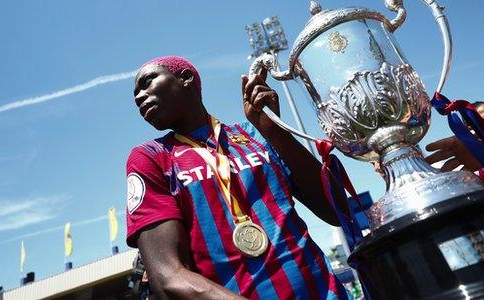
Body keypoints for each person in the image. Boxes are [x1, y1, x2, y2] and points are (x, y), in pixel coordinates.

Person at [125, 55, 350, 299]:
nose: (138, 97)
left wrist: (274, 130)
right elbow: (167, 277)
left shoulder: (255, 132)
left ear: (186, 78)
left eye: (147, 82)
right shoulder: (150, 158)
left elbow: (337, 211)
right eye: (135, 92)